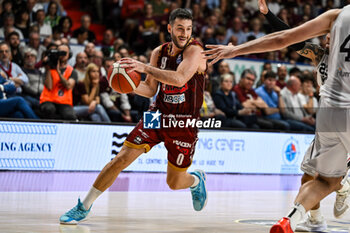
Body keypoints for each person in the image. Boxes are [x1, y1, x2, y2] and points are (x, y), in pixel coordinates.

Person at [203, 5, 350, 233]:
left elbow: (287, 37)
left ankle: (332, 191)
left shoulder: (338, 17)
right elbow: (291, 38)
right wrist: (268, 15)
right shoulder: (318, 54)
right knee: (308, 175)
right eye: (328, 36)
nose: (330, 37)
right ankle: (338, 189)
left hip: (330, 113)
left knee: (322, 177)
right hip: (335, 111)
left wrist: (260, 23)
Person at [59, 8, 208, 224]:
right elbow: (149, 89)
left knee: (174, 183)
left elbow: (179, 79)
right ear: (169, 29)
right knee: (121, 158)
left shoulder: (196, 51)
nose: (184, 33)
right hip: (157, 115)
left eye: (188, 29)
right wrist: (127, 84)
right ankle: (84, 206)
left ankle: (196, 181)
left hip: (184, 123)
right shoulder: (158, 53)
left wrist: (143, 67)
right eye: (180, 29)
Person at [39, 44, 77, 120]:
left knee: (70, 116)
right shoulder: (49, 68)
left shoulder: (72, 71)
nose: (62, 55)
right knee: (49, 109)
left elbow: (68, 86)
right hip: (48, 100)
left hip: (64, 102)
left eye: (64, 52)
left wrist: (59, 72)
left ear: (69, 54)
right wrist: (48, 68)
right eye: (60, 52)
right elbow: (49, 86)